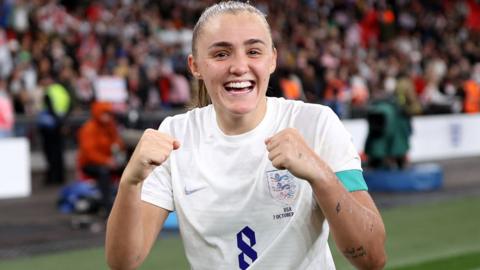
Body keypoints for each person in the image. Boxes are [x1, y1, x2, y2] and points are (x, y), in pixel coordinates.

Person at [106, 2, 386, 270]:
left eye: (253, 52)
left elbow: (372, 258)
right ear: (195, 66)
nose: (239, 66)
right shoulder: (176, 136)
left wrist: (320, 175)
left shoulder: (315, 123)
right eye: (221, 54)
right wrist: (130, 182)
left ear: (273, 59)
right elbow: (123, 262)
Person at [77, 101, 125, 216]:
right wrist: (106, 161)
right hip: (90, 164)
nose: (107, 116)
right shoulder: (88, 128)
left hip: (109, 162)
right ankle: (107, 208)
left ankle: (125, 204)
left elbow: (118, 142)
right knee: (104, 173)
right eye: (105, 113)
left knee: (127, 170)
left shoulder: (110, 126)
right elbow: (89, 152)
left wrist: (118, 152)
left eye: (109, 113)